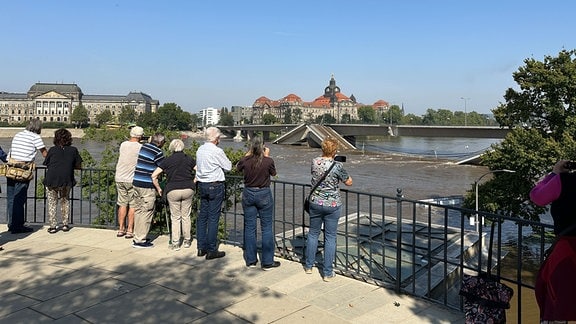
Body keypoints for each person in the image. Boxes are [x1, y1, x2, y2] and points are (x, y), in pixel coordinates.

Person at [530, 160, 576, 322]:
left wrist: (554, 173)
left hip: (568, 249)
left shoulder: (565, 181)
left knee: (557, 301)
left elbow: (537, 197)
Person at [304, 137, 352, 281]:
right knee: (330, 237)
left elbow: (315, 174)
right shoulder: (337, 166)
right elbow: (349, 182)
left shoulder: (314, 161)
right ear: (335, 151)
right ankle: (327, 273)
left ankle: (308, 266)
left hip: (315, 203)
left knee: (313, 234)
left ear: (322, 149)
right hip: (332, 205)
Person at [237, 137, 280, 270]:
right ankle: (267, 261)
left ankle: (251, 260)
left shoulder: (245, 160)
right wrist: (266, 156)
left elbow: (237, 168)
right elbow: (274, 173)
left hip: (249, 193)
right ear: (263, 147)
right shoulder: (268, 161)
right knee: (266, 227)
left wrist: (248, 153)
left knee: (250, 227)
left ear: (251, 148)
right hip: (263, 194)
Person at [151, 139, 196, 251]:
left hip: (173, 189)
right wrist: (193, 182)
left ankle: (175, 243)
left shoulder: (167, 160)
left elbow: (154, 175)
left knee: (175, 217)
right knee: (186, 216)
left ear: (172, 148)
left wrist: (159, 189)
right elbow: (200, 171)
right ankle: (187, 240)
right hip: (188, 188)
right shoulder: (189, 159)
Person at [195, 126, 232, 259]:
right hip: (215, 185)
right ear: (216, 138)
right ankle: (211, 250)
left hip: (202, 185)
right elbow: (228, 166)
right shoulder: (217, 151)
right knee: (213, 218)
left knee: (202, 217)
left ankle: (201, 247)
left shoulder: (200, 149)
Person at [7, 119, 47, 234]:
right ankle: (17, 226)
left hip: (11, 168)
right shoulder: (35, 137)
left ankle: (11, 224)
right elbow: (44, 153)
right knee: (19, 199)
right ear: (38, 128)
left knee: (11, 199)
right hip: (23, 170)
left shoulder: (18, 134)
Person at [43, 128, 83, 233]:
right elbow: (78, 165)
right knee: (65, 201)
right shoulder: (73, 150)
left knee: (52, 202)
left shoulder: (52, 150)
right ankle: (65, 224)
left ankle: (52, 226)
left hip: (52, 179)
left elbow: (47, 163)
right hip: (66, 179)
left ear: (56, 139)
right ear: (69, 138)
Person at [131, 133, 166, 248]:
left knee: (139, 211)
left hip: (136, 182)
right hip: (147, 185)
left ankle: (137, 236)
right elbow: (163, 167)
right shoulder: (158, 152)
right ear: (160, 143)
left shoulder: (144, 147)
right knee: (147, 211)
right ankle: (141, 240)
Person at [114, 126, 143, 239]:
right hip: (132, 179)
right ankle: (130, 230)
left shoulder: (123, 144)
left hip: (119, 177)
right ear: (140, 136)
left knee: (122, 204)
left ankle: (121, 228)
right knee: (133, 205)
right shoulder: (140, 147)